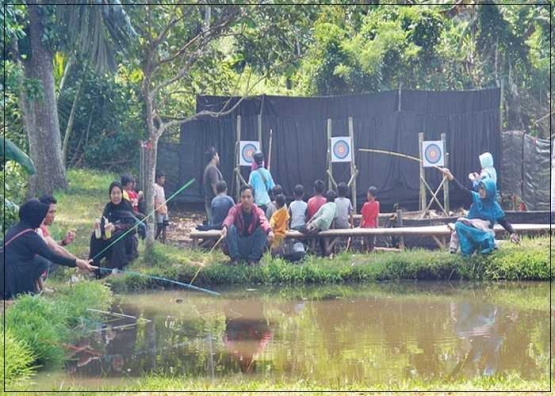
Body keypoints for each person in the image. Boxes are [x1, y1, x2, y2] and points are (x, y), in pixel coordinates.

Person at [2, 199, 95, 300]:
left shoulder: (19, 228)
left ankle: (32, 288)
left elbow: (50, 247)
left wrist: (73, 256)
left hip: (6, 269)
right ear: (33, 216)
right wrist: (76, 262)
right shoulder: (29, 235)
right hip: (10, 275)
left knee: (39, 260)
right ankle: (22, 292)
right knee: (42, 261)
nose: (42, 217)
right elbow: (52, 255)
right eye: (40, 214)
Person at [441, 168, 519, 256]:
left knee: (488, 237)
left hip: (483, 234)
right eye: (480, 188)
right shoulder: (475, 198)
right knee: (459, 225)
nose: (480, 191)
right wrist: (450, 176)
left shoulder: (495, 207)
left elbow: (504, 223)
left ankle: (484, 247)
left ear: (490, 191)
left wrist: (513, 233)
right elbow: (462, 190)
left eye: (483, 189)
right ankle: (468, 250)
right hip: (470, 231)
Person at [89, 182, 140, 277]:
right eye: (113, 193)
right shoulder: (108, 207)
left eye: (118, 193)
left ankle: (119, 267)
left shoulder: (126, 205)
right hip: (110, 241)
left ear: (122, 194)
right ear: (110, 195)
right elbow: (104, 223)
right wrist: (99, 227)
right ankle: (94, 267)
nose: (116, 196)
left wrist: (115, 227)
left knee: (118, 234)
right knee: (94, 236)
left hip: (126, 242)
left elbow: (132, 228)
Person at [221, 185, 274, 265]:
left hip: (251, 245)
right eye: (243, 197)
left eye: (249, 197)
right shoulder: (234, 209)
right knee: (230, 228)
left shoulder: (258, 211)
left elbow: (264, 221)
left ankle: (253, 259)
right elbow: (229, 218)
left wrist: (269, 231)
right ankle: (235, 259)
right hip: (237, 244)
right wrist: (225, 227)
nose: (246, 200)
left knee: (262, 229)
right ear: (240, 198)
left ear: (253, 198)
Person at [38, 194, 79, 277]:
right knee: (56, 257)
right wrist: (78, 262)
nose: (53, 216)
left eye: (54, 212)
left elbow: (49, 245)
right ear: (41, 211)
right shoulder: (39, 227)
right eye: (51, 212)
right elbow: (55, 249)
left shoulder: (41, 226)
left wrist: (63, 242)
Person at [203, 147, 223, 223]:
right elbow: (215, 187)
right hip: (213, 204)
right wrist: (221, 201)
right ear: (214, 156)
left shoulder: (210, 167)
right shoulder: (212, 169)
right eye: (217, 155)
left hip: (211, 203)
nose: (218, 157)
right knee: (214, 228)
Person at [360, 186, 380, 252]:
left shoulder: (366, 204)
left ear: (370, 194)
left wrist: (360, 226)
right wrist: (377, 226)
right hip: (373, 226)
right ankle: (371, 250)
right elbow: (376, 216)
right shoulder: (377, 204)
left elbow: (363, 217)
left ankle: (365, 250)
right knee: (372, 240)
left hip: (366, 226)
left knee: (365, 240)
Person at [154, 170, 169, 241]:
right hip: (158, 209)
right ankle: (155, 238)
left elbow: (163, 198)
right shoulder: (155, 186)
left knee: (165, 225)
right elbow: (154, 198)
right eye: (162, 178)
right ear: (158, 178)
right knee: (159, 226)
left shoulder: (162, 188)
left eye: (164, 178)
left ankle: (164, 241)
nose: (164, 180)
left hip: (164, 209)